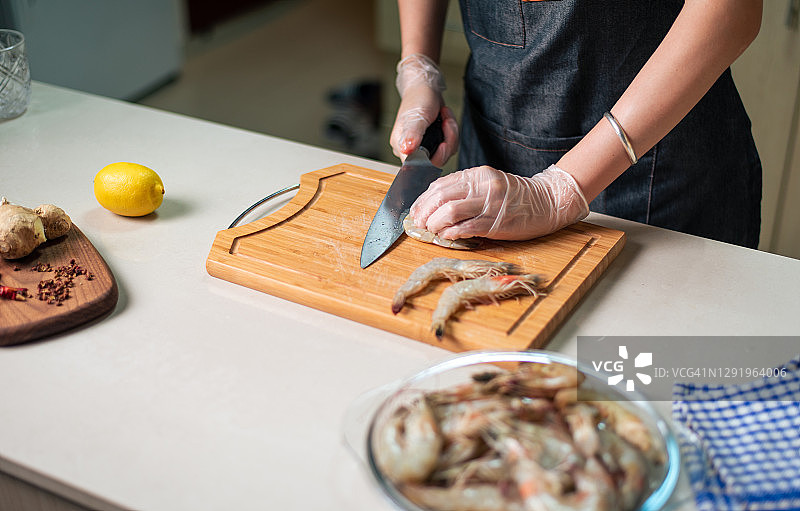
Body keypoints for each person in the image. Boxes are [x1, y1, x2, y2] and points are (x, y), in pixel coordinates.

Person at [390, 0, 763, 248]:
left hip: (658, 176)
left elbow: (731, 11)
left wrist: (556, 193)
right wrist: (419, 67)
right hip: (493, 140)